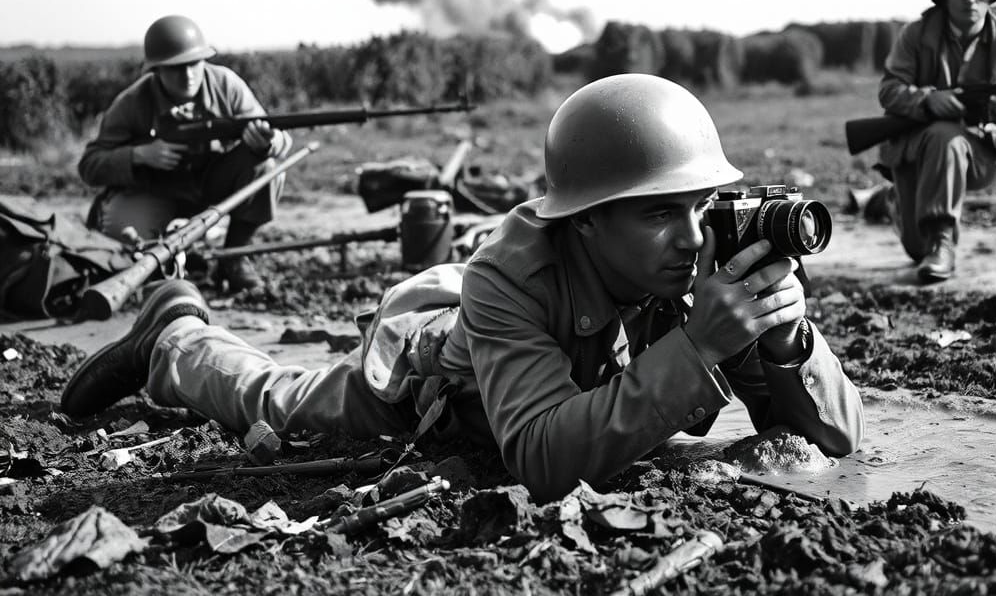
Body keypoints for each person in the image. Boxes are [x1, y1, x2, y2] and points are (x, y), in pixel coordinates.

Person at [62, 74, 863, 503]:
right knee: (284, 403)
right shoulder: (513, 276)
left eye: (699, 207)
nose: (692, 237)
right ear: (584, 221)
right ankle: (175, 338)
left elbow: (835, 441)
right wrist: (697, 349)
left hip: (534, 357)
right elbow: (544, 461)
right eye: (659, 214)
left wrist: (787, 343)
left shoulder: (698, 261)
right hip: (435, 369)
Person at [78, 15, 292, 292]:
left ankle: (235, 257)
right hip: (155, 190)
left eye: (194, 63)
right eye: (177, 68)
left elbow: (277, 137)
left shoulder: (226, 85)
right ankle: (165, 259)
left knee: (267, 167)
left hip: (212, 184)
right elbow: (89, 165)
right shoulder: (132, 103)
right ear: (156, 70)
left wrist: (268, 142)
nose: (189, 75)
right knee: (130, 252)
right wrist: (139, 155)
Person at [875, 0, 996, 283]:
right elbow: (889, 91)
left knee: (948, 138)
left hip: (981, 152)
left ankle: (942, 242)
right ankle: (891, 203)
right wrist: (928, 99)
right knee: (916, 249)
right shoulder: (916, 35)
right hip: (915, 147)